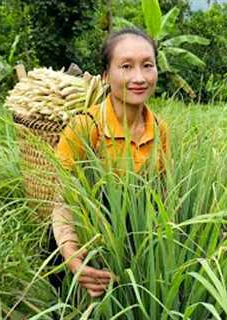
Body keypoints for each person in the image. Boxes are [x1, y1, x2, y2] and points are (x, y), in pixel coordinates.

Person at [49, 28, 170, 298]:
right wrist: (72, 258)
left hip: (133, 245)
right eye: (126, 66)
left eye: (147, 65)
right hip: (82, 240)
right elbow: (63, 202)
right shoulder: (85, 126)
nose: (139, 77)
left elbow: (162, 195)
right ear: (106, 75)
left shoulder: (160, 129)